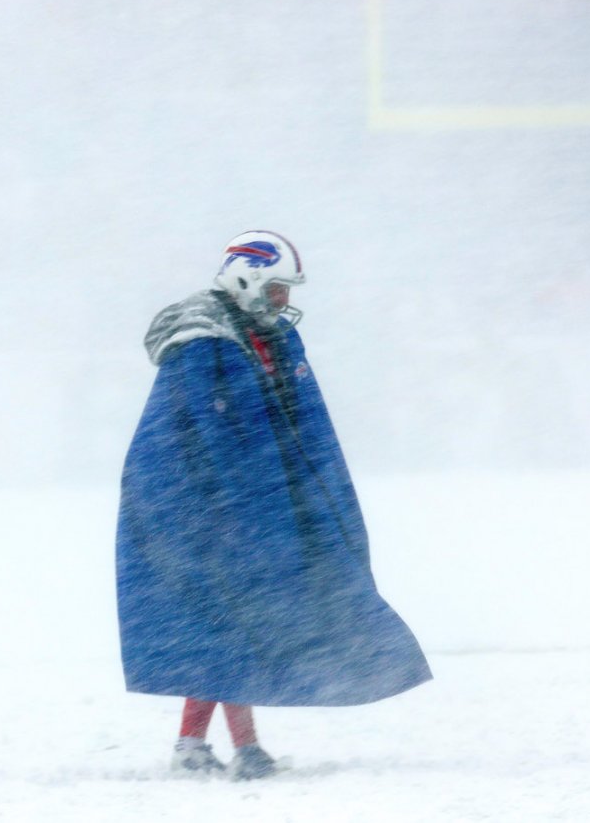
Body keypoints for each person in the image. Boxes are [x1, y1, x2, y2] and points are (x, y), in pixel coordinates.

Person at [116, 231, 432, 780]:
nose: (284, 299)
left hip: (249, 506)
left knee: (227, 626)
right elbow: (204, 438)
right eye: (278, 288)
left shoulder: (269, 337)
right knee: (232, 623)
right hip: (205, 512)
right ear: (248, 278)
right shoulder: (203, 344)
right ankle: (235, 749)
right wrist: (234, 510)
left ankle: (201, 746)